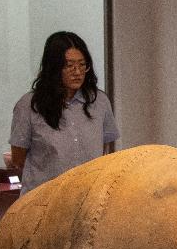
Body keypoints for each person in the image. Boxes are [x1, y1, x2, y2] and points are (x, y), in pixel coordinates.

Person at [9, 32, 119, 194]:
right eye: (70, 66)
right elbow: (18, 158)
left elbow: (105, 149)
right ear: (53, 68)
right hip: (43, 200)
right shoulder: (29, 105)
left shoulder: (99, 101)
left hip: (87, 197)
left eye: (83, 65)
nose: (77, 72)